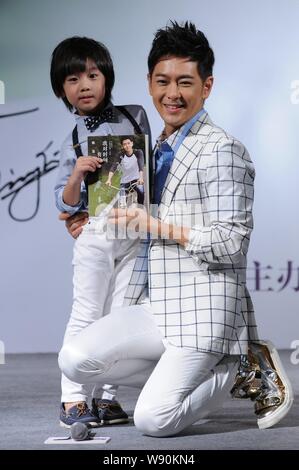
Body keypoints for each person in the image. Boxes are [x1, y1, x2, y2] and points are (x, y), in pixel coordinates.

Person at [58, 22, 293, 436]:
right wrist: (89, 218)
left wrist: (158, 226)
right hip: (157, 304)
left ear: (207, 86)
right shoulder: (148, 147)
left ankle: (240, 363)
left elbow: (232, 243)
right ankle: (185, 371)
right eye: (162, 81)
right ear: (148, 83)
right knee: (75, 358)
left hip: (203, 310)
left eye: (186, 82)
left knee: (154, 420)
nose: (173, 93)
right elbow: (123, 203)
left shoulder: (223, 149)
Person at [50, 36, 151, 428]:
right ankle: (72, 399)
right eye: (73, 79)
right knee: (87, 314)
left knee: (121, 317)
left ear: (106, 77)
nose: (85, 85)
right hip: (95, 234)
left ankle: (109, 399)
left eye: (92, 75)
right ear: (63, 90)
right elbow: (65, 203)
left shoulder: (135, 116)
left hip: (135, 231)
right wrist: (77, 173)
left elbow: (148, 167)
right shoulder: (72, 140)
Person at [106, 136, 145, 205]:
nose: (127, 146)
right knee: (122, 203)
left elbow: (141, 165)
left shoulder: (138, 152)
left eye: (128, 143)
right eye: (124, 144)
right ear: (122, 146)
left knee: (141, 192)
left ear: (132, 143)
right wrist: (109, 179)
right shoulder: (120, 155)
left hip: (136, 180)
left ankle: (140, 208)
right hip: (124, 182)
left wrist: (141, 178)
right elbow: (114, 167)